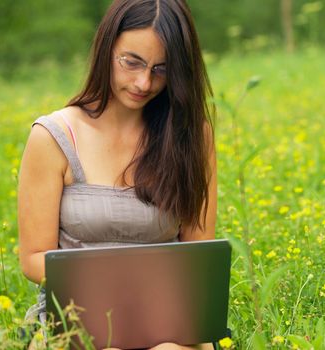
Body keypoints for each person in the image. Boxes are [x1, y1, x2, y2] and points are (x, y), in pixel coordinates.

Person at [17, 0, 217, 349]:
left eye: (161, 69)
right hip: (77, 312)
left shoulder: (191, 136)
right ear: (106, 49)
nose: (144, 82)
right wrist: (112, 283)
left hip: (164, 316)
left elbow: (198, 252)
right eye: (132, 62)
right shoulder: (53, 137)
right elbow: (34, 258)